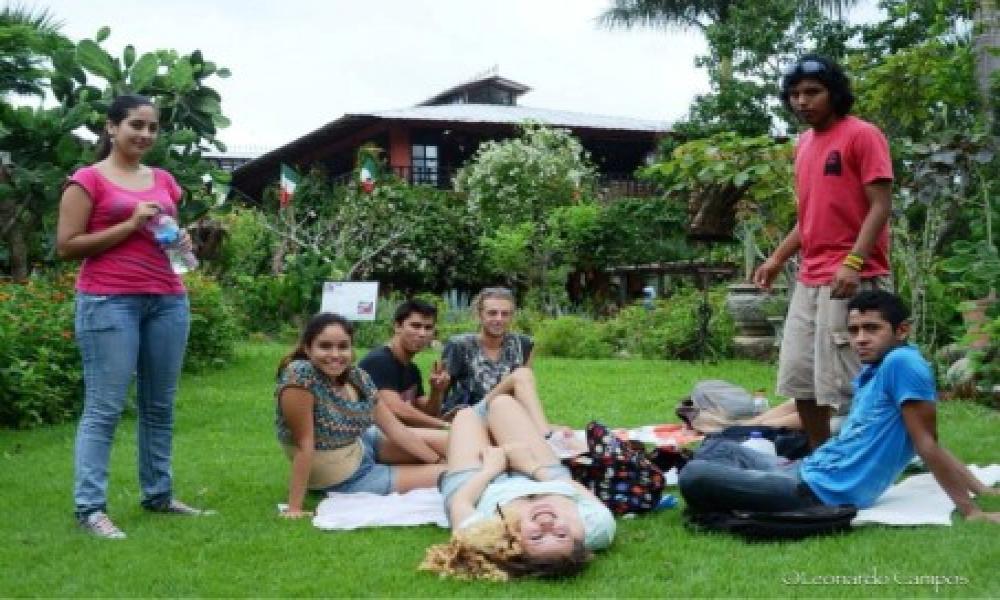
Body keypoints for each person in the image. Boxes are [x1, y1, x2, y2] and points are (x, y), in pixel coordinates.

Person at [679, 291, 1000, 523]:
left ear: (902, 330)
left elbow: (927, 443)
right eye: (855, 330)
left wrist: (971, 511)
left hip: (818, 491)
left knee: (694, 474)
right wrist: (981, 487)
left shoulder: (903, 363)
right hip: (804, 470)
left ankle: (738, 493)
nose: (860, 339)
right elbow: (934, 444)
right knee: (716, 447)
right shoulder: (875, 369)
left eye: (872, 329)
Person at [56, 94, 210, 539]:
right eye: (135, 125)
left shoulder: (163, 179)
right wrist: (128, 224)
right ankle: (90, 508)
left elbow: (162, 237)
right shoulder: (86, 180)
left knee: (159, 406)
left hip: (167, 299)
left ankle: (159, 495)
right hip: (109, 301)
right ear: (111, 128)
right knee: (104, 408)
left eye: (152, 127)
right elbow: (66, 246)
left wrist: (181, 240)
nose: (144, 134)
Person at [754, 54, 894, 449]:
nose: (802, 101)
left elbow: (880, 206)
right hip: (810, 277)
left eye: (812, 92)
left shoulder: (862, 135)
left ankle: (862, 457)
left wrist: (853, 261)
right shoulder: (804, 145)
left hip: (851, 277)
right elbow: (809, 216)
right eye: (795, 94)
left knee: (851, 379)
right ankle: (819, 459)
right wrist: (778, 258)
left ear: (835, 93)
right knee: (801, 376)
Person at [422, 390, 615, 581]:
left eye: (536, 537)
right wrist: (531, 466)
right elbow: (576, 489)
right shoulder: (597, 527)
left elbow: (461, 502)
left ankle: (475, 434)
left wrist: (489, 470)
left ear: (515, 544)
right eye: (561, 534)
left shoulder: (486, 537)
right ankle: (488, 426)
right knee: (502, 403)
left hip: (481, 486)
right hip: (545, 479)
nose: (547, 525)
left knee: (466, 416)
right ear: (578, 540)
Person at [275, 313, 448, 519]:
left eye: (343, 346)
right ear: (307, 348)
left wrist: (435, 458)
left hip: (363, 443)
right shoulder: (300, 377)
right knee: (455, 473)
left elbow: (394, 428)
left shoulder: (357, 377)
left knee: (456, 444)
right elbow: (305, 444)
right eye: (325, 346)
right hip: (349, 477)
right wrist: (294, 508)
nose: (335, 354)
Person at [358, 299, 450, 430]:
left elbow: (429, 413)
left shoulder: (413, 369)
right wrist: (445, 425)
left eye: (428, 328)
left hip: (399, 434)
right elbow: (396, 409)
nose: (422, 334)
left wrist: (436, 391)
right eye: (415, 326)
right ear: (397, 327)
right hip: (370, 438)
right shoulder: (379, 361)